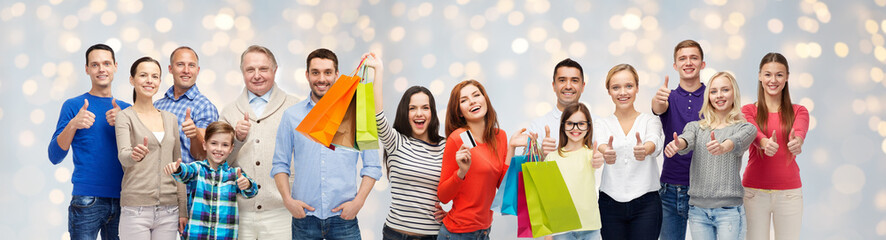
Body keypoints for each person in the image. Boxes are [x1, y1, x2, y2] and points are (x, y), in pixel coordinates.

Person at [271, 48, 382, 239]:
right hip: (304, 219)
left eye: (328, 72)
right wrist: (288, 201)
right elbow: (280, 164)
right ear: (307, 75)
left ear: (337, 75)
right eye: (315, 72)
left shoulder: (358, 113)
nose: (321, 79)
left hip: (343, 219)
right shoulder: (292, 116)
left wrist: (358, 203)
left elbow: (372, 166)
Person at [359, 52, 447, 239]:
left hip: (432, 236)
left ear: (432, 112)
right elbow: (377, 115)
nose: (419, 113)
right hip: (395, 235)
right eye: (412, 108)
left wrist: (453, 213)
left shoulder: (445, 146)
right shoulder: (396, 141)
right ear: (405, 113)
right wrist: (379, 70)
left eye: (425, 107)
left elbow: (462, 184)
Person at [48, 43, 131, 240]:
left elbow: (140, 156)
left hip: (124, 200)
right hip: (87, 200)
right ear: (87, 69)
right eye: (95, 65)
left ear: (115, 67)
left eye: (106, 63)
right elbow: (54, 156)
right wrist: (73, 124)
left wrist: (124, 123)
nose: (101, 69)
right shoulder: (74, 106)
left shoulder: (127, 110)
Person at [219, 45, 300, 240]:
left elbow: (309, 157)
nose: (257, 75)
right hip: (241, 214)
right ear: (242, 72)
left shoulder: (295, 107)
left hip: (283, 212)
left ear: (275, 70)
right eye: (250, 70)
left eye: (263, 69)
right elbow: (219, 164)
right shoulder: (229, 112)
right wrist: (237, 140)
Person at [663, 72, 756, 240]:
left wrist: (724, 146)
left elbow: (737, 141)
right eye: (713, 91)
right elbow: (687, 139)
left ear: (734, 93)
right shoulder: (696, 127)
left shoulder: (745, 127)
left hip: (728, 211)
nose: (719, 95)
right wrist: (679, 144)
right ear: (708, 97)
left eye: (725, 90)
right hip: (698, 211)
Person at [114, 56, 188, 239]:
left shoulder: (170, 118)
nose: (149, 80)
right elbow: (123, 156)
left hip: (169, 210)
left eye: (155, 76)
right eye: (143, 75)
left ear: (160, 81)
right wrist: (134, 155)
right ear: (132, 80)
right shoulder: (124, 117)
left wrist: (183, 209)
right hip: (135, 210)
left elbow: (178, 166)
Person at [741, 53, 808, 240]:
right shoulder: (748, 110)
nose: (773, 80)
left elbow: (800, 129)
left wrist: (798, 141)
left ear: (787, 77)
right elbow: (751, 130)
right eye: (768, 74)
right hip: (753, 193)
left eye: (779, 74)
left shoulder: (799, 111)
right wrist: (763, 142)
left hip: (789, 195)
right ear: (760, 76)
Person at [594, 64, 663, 239]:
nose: (622, 92)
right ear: (609, 91)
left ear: (637, 88)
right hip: (609, 203)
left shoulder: (650, 121)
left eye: (629, 86)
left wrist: (645, 150)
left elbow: (654, 141)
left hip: (647, 203)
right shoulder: (602, 123)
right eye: (616, 87)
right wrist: (605, 151)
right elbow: (601, 143)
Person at [438, 79, 511, 240]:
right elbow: (443, 196)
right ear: (459, 112)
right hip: (456, 234)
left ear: (485, 99)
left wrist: (511, 148)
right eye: (464, 100)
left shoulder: (500, 136)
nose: (472, 101)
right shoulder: (458, 138)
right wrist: (461, 172)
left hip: (484, 232)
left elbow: (503, 188)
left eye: (476, 95)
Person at [164, 121, 259, 240]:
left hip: (225, 236)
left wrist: (247, 184)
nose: (219, 149)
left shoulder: (234, 174)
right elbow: (186, 172)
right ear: (204, 145)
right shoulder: (197, 169)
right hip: (196, 236)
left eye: (225, 145)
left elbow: (253, 191)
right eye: (214, 143)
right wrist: (177, 168)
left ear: (231, 149)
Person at [652, 39, 707, 240]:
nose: (688, 62)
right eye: (682, 59)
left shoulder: (713, 97)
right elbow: (658, 108)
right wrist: (657, 99)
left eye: (694, 57)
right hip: (670, 190)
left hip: (705, 189)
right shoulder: (668, 97)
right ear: (675, 66)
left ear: (702, 64)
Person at [543, 103, 604, 240]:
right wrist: (548, 232)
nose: (575, 128)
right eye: (570, 123)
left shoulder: (591, 155)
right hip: (561, 229)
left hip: (590, 227)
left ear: (588, 127)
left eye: (581, 124)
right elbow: (547, 198)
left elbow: (597, 162)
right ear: (563, 126)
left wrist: (598, 160)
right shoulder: (552, 157)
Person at [531, 58, 587, 156]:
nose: (568, 86)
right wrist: (541, 155)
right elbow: (523, 168)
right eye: (562, 80)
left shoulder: (597, 124)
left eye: (574, 80)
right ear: (554, 86)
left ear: (582, 86)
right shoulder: (537, 126)